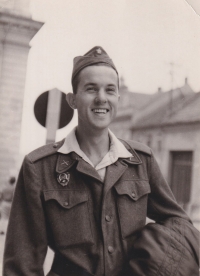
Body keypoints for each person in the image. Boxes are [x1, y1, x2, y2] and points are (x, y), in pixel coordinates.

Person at [3, 46, 199, 276]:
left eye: (109, 90)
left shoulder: (140, 161)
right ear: (73, 99)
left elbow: (180, 224)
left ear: (118, 97)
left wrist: (155, 267)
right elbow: (21, 266)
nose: (101, 98)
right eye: (91, 89)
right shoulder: (39, 168)